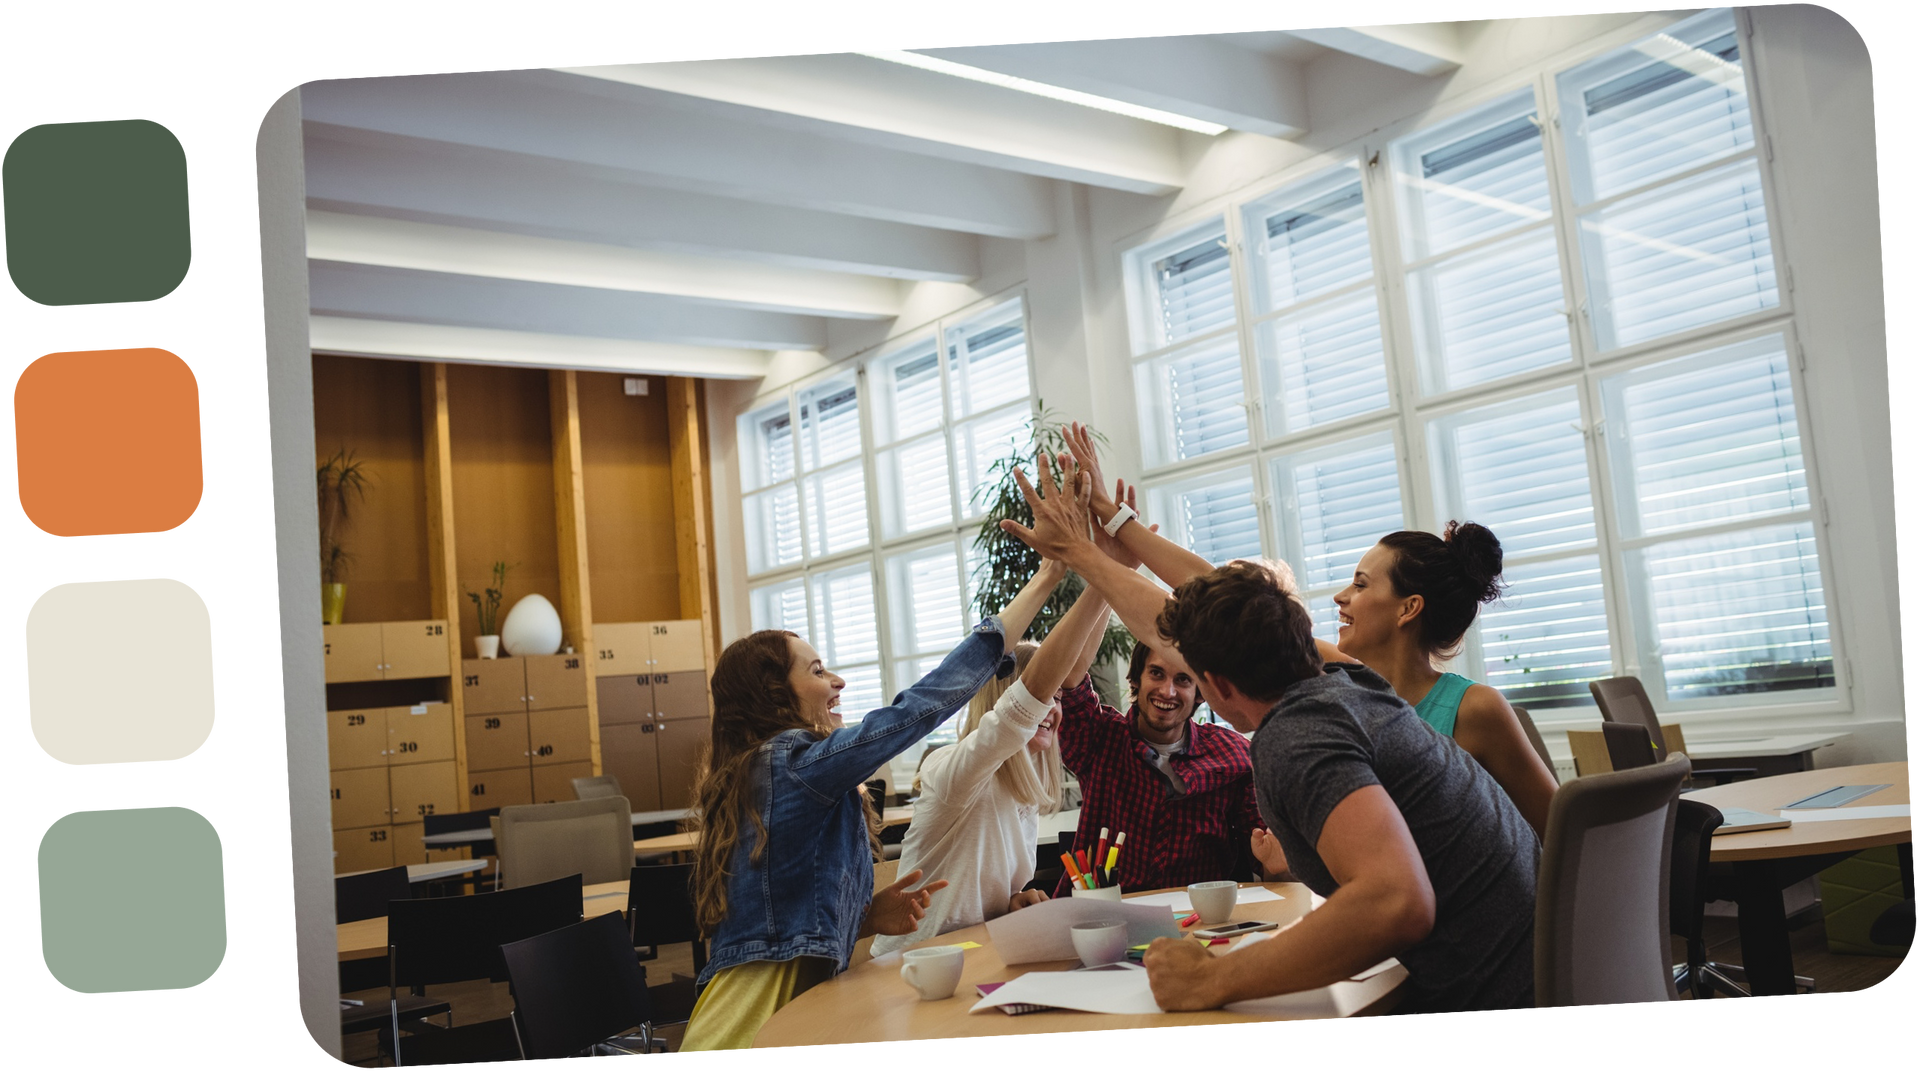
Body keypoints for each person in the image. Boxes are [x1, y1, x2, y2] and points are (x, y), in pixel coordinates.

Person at [999, 455, 1538, 1017]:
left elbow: (1396, 902)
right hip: (1527, 968)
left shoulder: (1296, 735)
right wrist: (1106, 535)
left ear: (1216, 684)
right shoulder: (1349, 680)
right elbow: (1203, 611)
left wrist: (1215, 980)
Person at [679, 554, 1064, 1052]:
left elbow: (781, 912)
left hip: (783, 1018)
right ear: (775, 695)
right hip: (743, 1029)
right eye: (817, 670)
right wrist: (1050, 574)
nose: (836, 681)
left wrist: (865, 916)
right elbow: (919, 708)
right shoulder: (788, 766)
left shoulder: (773, 776)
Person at [872, 559, 1112, 957]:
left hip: (974, 958)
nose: (1050, 708)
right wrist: (1104, 572)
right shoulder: (951, 768)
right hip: (915, 967)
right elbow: (1016, 714)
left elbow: (1073, 669)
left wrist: (1008, 905)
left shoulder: (1026, 787)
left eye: (1057, 700)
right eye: (1041, 697)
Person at [1333, 524, 1558, 835]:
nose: (1339, 596)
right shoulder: (1345, 706)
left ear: (1408, 608)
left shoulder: (1476, 709)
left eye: (1360, 585)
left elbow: (1563, 831)